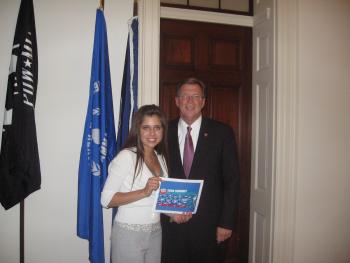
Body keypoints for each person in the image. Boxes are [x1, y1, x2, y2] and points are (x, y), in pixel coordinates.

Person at [161, 78, 240, 263]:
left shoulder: (222, 132)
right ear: (177, 101)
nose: (190, 101)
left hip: (210, 225)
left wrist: (226, 223)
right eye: (185, 96)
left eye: (195, 96)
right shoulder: (163, 132)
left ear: (203, 102)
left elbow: (232, 180)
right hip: (172, 225)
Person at [101, 104, 168, 263]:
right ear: (138, 129)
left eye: (157, 127)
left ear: (163, 130)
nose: (152, 133)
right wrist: (144, 191)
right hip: (128, 232)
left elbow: (158, 199)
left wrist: (175, 213)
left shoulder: (161, 158)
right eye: (146, 127)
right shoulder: (126, 156)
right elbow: (106, 200)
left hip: (156, 231)